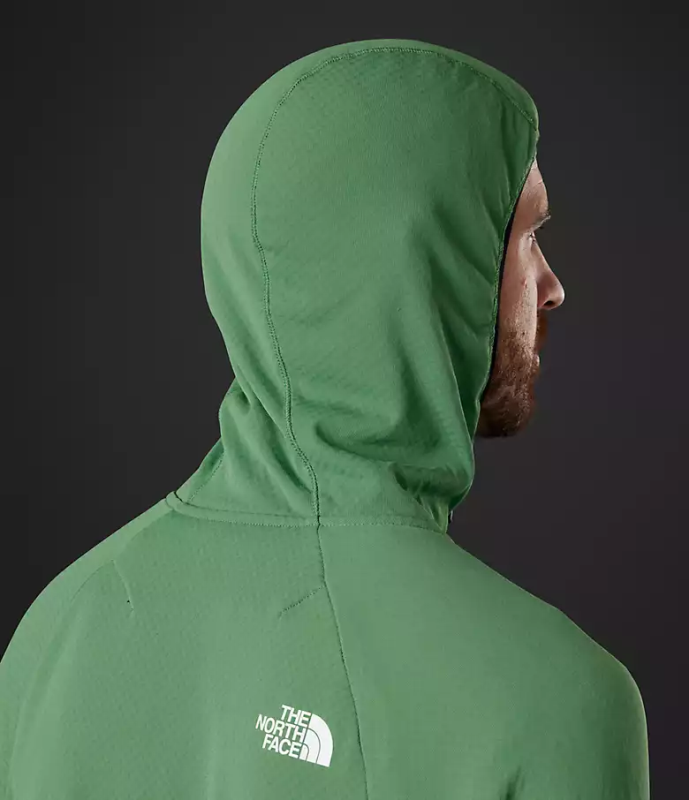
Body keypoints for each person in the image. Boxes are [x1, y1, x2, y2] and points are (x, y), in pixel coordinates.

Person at [0, 37, 649, 799]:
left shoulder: (58, 626)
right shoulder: (553, 701)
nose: (551, 286)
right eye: (525, 236)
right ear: (423, 260)